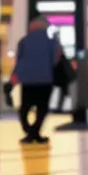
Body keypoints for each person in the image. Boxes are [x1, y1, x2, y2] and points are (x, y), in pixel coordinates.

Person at [12, 16, 62, 144]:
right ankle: (34, 133)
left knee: (25, 107)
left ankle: (29, 131)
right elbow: (56, 59)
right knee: (42, 109)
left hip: (28, 81)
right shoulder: (51, 43)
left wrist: (15, 76)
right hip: (45, 80)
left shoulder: (24, 41)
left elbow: (19, 60)